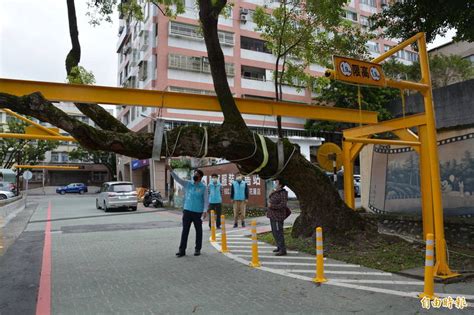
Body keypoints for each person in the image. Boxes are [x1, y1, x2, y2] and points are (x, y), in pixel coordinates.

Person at [170, 168, 208, 257]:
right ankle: (182, 250)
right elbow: (178, 179)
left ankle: (197, 249)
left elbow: (206, 200)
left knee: (198, 230)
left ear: (200, 177)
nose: (195, 175)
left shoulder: (203, 187)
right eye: (194, 173)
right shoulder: (188, 184)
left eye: (197, 174)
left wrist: (205, 211)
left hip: (198, 212)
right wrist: (171, 171)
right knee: (185, 230)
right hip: (187, 211)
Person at [267, 178, 289, 256]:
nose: (275, 183)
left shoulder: (283, 193)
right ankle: (279, 247)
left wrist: (272, 206)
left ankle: (283, 250)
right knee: (274, 232)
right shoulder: (276, 191)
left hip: (278, 216)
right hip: (272, 215)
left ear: (280, 184)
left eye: (276, 182)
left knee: (278, 232)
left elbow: (283, 205)